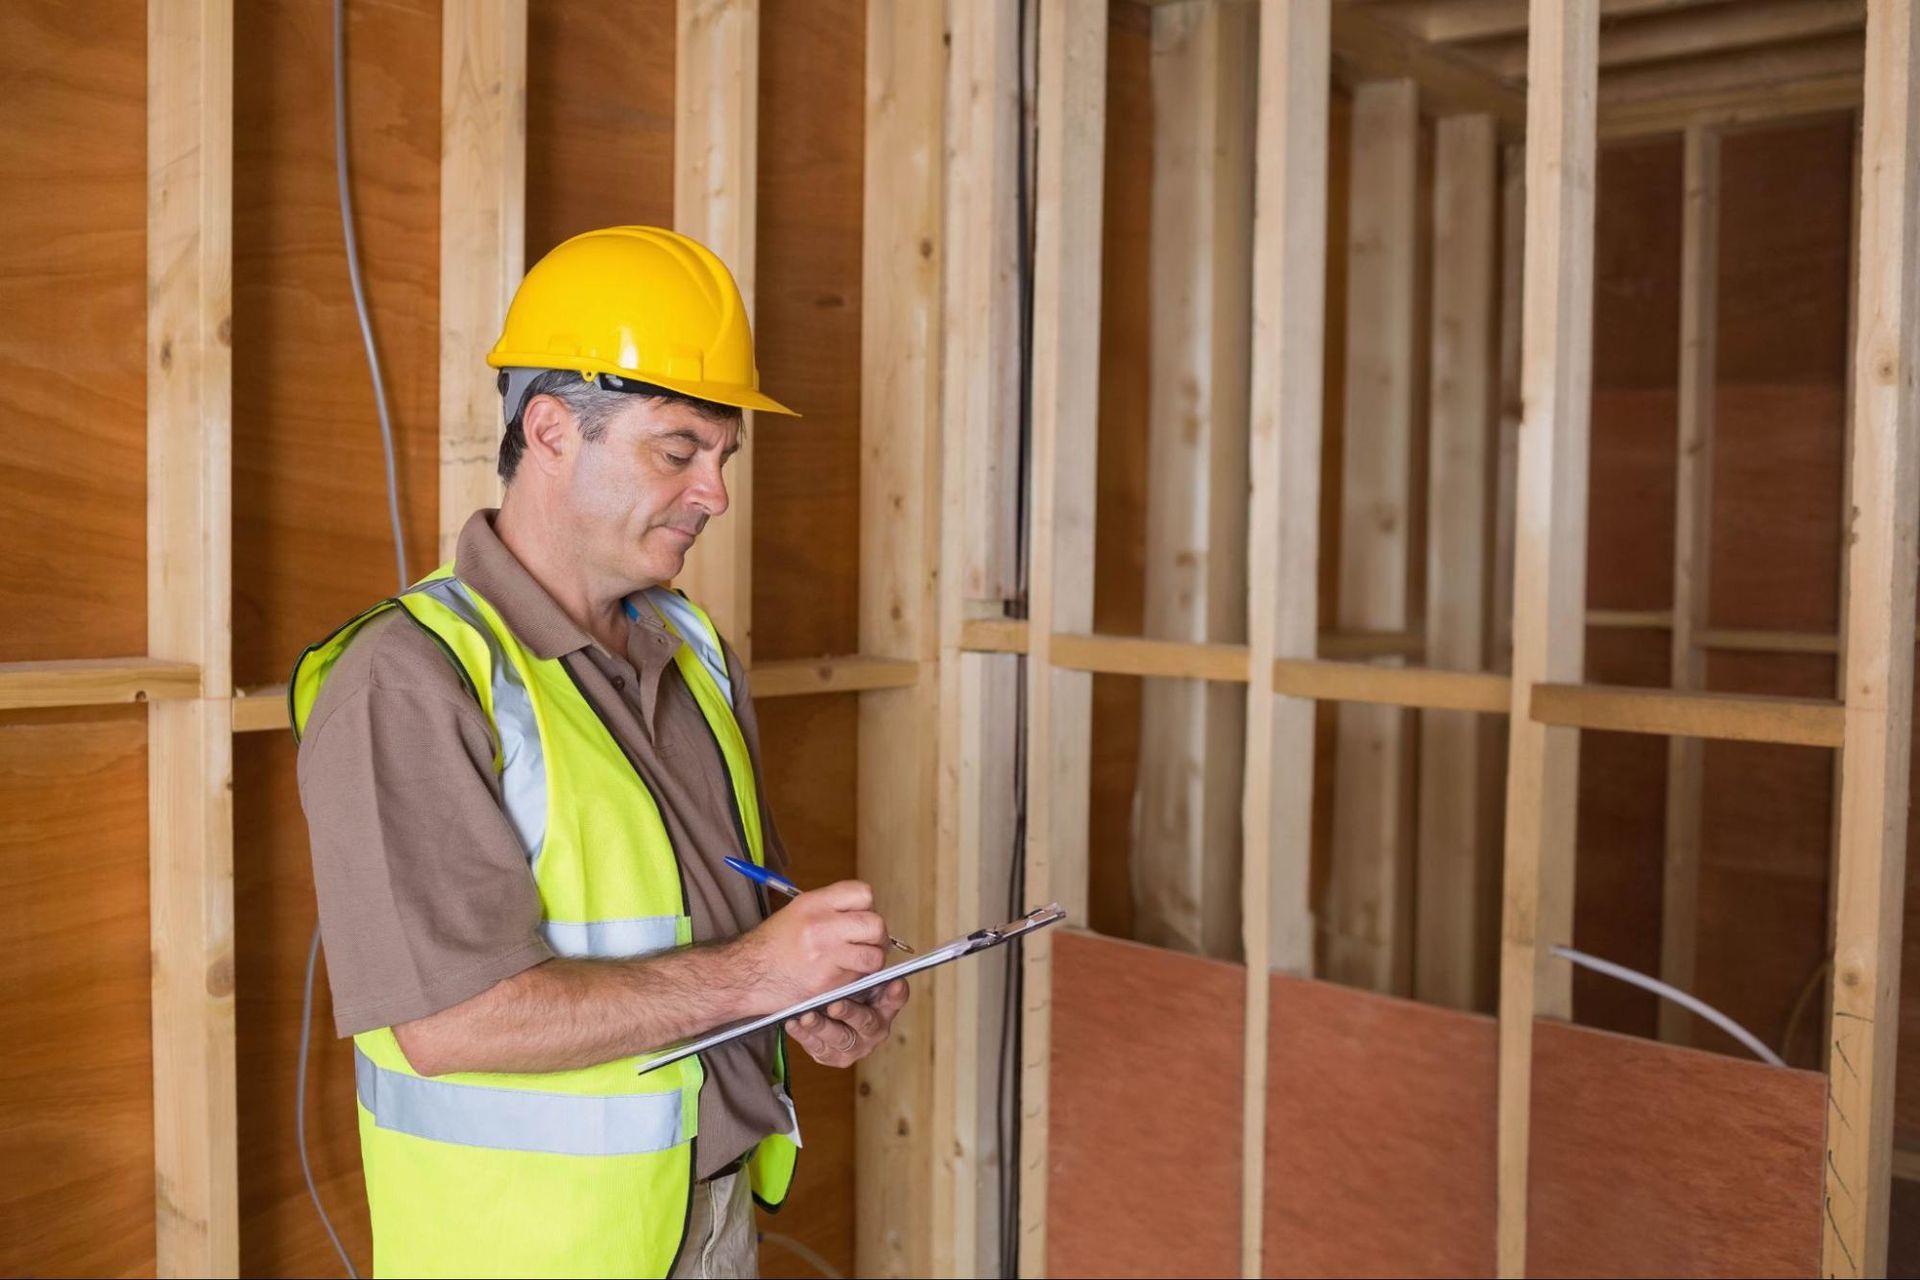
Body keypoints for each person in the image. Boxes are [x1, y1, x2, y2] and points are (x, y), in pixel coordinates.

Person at [292, 225, 907, 1279]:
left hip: (708, 1217)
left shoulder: (694, 652)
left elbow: (730, 917)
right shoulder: (411, 678)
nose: (715, 493)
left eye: (723, 457)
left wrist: (812, 991)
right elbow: (450, 1021)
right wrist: (757, 973)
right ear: (550, 429)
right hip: (528, 1253)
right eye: (678, 451)